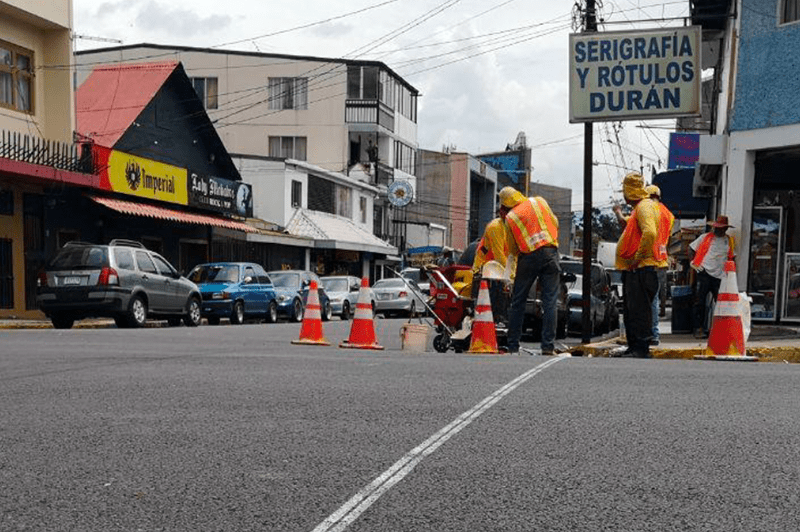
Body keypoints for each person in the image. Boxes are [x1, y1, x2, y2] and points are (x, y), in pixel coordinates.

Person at [500, 186, 560, 356]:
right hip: (550, 251)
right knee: (550, 301)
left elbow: (511, 249)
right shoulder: (539, 201)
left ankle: (513, 346)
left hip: (528, 256)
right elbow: (554, 221)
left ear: (505, 204)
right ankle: (547, 346)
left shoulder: (510, 218)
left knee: (518, 301)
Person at [614, 172, 667, 358]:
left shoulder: (644, 207)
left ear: (629, 191)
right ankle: (633, 346)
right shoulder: (640, 208)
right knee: (631, 310)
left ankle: (640, 348)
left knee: (639, 311)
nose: (623, 194)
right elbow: (628, 225)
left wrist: (637, 258)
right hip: (635, 269)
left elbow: (650, 233)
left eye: (624, 190)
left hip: (641, 268)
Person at [689, 215, 736, 338]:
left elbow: (732, 257)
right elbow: (691, 248)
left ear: (725, 229)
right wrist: (693, 263)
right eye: (716, 227)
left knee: (721, 304)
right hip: (704, 272)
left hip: (720, 276)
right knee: (699, 302)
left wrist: (731, 276)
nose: (718, 230)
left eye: (721, 228)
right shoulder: (705, 238)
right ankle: (698, 328)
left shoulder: (729, 241)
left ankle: (719, 329)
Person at [646, 185, 674, 345]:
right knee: (655, 299)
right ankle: (654, 334)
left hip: (649, 258)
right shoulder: (668, 214)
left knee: (646, 299)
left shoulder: (650, 210)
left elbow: (648, 233)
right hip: (662, 258)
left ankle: (648, 333)